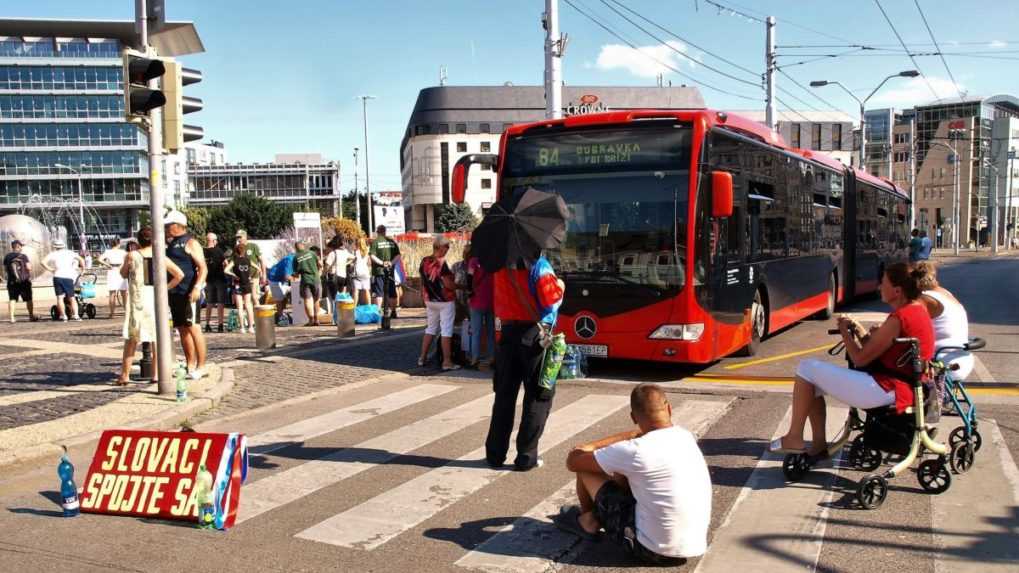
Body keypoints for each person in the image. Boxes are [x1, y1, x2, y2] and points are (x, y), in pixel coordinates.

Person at [770, 262, 934, 455]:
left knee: (806, 368)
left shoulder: (898, 318)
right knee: (811, 383)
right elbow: (878, 349)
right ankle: (818, 445)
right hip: (903, 386)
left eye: (883, 283)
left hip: (886, 388)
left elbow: (860, 359)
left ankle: (794, 437)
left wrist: (844, 331)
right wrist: (858, 330)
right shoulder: (917, 310)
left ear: (897, 291)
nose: (880, 287)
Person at [558, 384, 711, 565]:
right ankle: (598, 517)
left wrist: (591, 446)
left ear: (633, 417)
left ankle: (588, 521)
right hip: (692, 546)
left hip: (651, 549)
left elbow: (573, 462)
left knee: (586, 469)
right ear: (669, 408)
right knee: (625, 474)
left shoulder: (636, 450)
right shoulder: (686, 436)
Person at [485, 252, 565, 471]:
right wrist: (561, 286)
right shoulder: (539, 265)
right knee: (538, 396)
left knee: (504, 396)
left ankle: (494, 455)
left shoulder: (500, 266)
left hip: (507, 333)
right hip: (535, 335)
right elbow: (550, 299)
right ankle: (526, 456)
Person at [116, 227, 184, 386]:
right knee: (156, 338)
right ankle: (156, 375)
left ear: (139, 240)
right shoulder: (160, 256)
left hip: (138, 299)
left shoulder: (133, 255)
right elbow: (179, 274)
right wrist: (164, 288)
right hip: (156, 298)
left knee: (132, 338)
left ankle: (124, 375)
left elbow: (123, 273)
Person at [165, 210, 208, 380]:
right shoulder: (170, 243)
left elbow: (203, 267)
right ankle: (190, 363)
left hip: (189, 292)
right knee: (182, 328)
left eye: (169, 225)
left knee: (194, 327)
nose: (167, 228)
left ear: (177, 225)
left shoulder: (190, 242)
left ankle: (201, 365)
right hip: (175, 292)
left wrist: (197, 287)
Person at [915, 261, 973, 381]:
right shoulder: (944, 292)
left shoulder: (925, 298)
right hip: (962, 360)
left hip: (944, 362)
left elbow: (907, 327)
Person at [417, 236, 459, 370]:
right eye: (446, 247)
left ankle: (422, 358)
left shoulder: (424, 261)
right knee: (446, 330)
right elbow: (448, 285)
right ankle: (447, 361)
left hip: (430, 300)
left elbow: (422, 281)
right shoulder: (442, 263)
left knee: (430, 328)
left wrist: (422, 296)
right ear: (439, 247)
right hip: (444, 300)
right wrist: (460, 286)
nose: (447, 249)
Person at [42, 239, 85, 321]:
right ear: (63, 246)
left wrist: (51, 269)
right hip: (68, 277)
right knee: (72, 297)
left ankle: (64, 316)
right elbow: (81, 260)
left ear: (55, 247)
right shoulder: (70, 253)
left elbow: (43, 262)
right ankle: (76, 315)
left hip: (57, 276)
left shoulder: (53, 254)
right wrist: (83, 270)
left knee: (59, 298)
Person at [467, 251, 495, 369]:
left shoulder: (474, 260)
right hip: (492, 300)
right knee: (491, 332)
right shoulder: (495, 260)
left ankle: (475, 359)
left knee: (476, 332)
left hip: (477, 300)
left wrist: (469, 292)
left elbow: (469, 278)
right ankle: (491, 357)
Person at [224, 244, 255, 334]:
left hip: (237, 284)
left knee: (240, 307)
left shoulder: (234, 261)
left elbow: (226, 270)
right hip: (247, 284)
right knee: (249, 305)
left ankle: (242, 327)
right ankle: (251, 327)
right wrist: (250, 276)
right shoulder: (248, 260)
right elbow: (258, 268)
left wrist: (233, 275)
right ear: (244, 251)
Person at [3, 240, 36, 322]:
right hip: (24, 281)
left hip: (12, 282)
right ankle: (31, 316)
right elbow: (29, 268)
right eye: (21, 246)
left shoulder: (7, 257)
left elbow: (5, 269)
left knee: (12, 299)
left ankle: (12, 318)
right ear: (18, 246)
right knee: (29, 299)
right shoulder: (23, 256)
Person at [369, 225, 400, 311]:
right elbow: (398, 255)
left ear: (377, 232)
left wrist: (382, 263)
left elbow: (372, 256)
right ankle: (393, 311)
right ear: (385, 231)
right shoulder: (392, 242)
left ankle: (378, 312)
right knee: (392, 292)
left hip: (378, 272)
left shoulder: (375, 242)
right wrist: (391, 263)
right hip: (390, 272)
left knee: (378, 293)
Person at [291, 239, 321, 326]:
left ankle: (311, 320)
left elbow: (296, 273)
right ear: (303, 246)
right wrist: (318, 273)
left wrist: (294, 275)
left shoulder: (296, 257)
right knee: (316, 299)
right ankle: (317, 319)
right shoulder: (312, 253)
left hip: (305, 280)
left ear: (296, 248)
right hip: (316, 279)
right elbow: (320, 264)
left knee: (308, 300)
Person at [202, 232, 228, 333]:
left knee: (209, 303)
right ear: (214, 241)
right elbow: (226, 263)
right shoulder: (219, 251)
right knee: (220, 303)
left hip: (208, 279)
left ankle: (207, 324)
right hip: (220, 279)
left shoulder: (203, 251)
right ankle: (220, 325)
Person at [324, 236, 354, 320]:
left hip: (333, 276)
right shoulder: (345, 252)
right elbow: (354, 258)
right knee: (341, 297)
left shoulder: (333, 253)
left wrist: (323, 273)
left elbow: (327, 266)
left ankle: (336, 317)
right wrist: (346, 263)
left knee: (334, 298)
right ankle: (342, 316)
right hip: (343, 277)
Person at [99, 238, 127, 319]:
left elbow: (99, 259)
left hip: (112, 270)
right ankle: (126, 311)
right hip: (121, 270)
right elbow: (127, 260)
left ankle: (112, 313)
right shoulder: (122, 252)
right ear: (118, 244)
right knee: (124, 293)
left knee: (112, 294)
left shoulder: (108, 252)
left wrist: (107, 265)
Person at [234, 229, 265, 299]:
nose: (238, 239)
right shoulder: (236, 248)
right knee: (246, 299)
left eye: (240, 237)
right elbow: (234, 263)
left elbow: (262, 260)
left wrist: (264, 274)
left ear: (245, 236)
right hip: (242, 278)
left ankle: (257, 309)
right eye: (237, 237)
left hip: (254, 276)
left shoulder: (253, 246)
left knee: (254, 297)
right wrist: (234, 275)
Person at [267, 248, 296, 320]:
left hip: (280, 279)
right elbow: (287, 276)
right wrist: (295, 280)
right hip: (274, 278)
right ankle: (280, 317)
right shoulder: (289, 260)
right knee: (279, 298)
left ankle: (281, 313)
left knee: (284, 298)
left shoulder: (293, 259)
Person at [352, 237, 372, 305]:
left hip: (357, 273)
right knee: (367, 290)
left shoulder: (355, 252)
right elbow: (369, 263)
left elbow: (353, 261)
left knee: (356, 291)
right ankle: (369, 306)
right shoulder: (367, 252)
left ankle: (354, 307)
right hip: (365, 272)